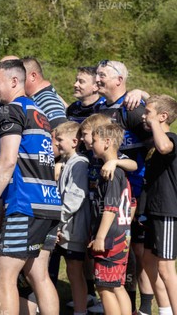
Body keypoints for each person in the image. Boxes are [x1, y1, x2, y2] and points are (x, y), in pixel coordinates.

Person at [0, 59, 61, 315]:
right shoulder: (38, 111)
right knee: (38, 276)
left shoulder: (11, 110)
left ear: (14, 81)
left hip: (25, 205)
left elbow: (7, 161)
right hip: (50, 203)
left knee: (3, 276)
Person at [95, 60, 157, 313]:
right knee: (120, 250)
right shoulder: (99, 107)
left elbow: (159, 133)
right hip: (106, 187)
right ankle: (120, 302)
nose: (97, 78)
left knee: (137, 250)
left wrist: (143, 95)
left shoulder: (131, 107)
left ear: (119, 80)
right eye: (96, 74)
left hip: (133, 191)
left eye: (102, 75)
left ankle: (144, 307)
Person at [87, 123, 132, 315]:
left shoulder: (111, 173)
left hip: (110, 239)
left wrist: (100, 237)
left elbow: (111, 208)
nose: (91, 144)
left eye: (94, 140)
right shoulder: (119, 170)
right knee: (117, 285)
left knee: (105, 287)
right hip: (121, 236)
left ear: (106, 142)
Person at [142, 94, 177, 314]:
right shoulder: (155, 142)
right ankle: (164, 310)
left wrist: (155, 122)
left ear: (162, 117)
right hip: (153, 211)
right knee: (148, 261)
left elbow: (165, 147)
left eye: (148, 113)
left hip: (167, 210)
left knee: (165, 267)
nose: (144, 117)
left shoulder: (170, 137)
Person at [54, 121, 90, 315]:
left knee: (75, 272)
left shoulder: (79, 164)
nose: (56, 143)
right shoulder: (69, 162)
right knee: (72, 271)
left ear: (75, 141)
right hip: (67, 227)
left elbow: (74, 198)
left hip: (74, 230)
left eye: (60, 139)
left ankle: (80, 311)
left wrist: (57, 222)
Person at [22, 56, 68, 128]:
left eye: (20, 77)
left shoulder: (47, 100)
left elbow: (62, 134)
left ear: (33, 76)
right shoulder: (40, 98)